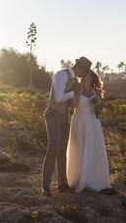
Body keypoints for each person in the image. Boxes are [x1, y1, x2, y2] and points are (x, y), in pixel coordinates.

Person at [42, 56, 92, 196]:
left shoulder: (75, 80)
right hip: (53, 114)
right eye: (85, 71)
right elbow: (58, 97)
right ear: (79, 68)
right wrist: (74, 91)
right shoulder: (61, 75)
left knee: (62, 150)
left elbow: (72, 102)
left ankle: (62, 184)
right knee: (53, 148)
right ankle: (45, 185)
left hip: (64, 115)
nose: (85, 74)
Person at [66, 69, 113, 193]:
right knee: (79, 148)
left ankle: (93, 179)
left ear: (92, 77)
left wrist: (99, 106)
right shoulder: (77, 88)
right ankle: (79, 178)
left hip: (92, 122)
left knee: (93, 148)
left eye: (88, 75)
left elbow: (99, 109)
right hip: (79, 120)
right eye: (84, 74)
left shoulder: (96, 92)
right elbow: (73, 105)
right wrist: (75, 92)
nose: (86, 76)